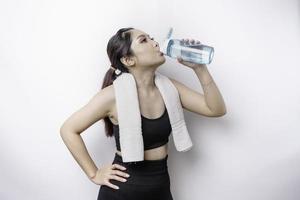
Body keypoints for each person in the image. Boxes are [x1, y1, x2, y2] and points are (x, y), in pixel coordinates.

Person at [59, 27, 227, 200]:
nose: (155, 43)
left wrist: (200, 68)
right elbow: (68, 129)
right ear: (129, 60)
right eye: (144, 40)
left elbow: (215, 109)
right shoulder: (112, 95)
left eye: (151, 38)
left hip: (160, 189)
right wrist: (94, 174)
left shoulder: (169, 87)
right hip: (122, 191)